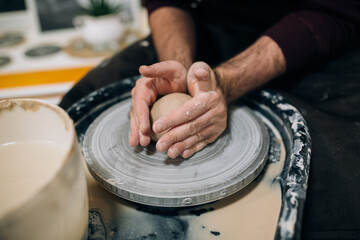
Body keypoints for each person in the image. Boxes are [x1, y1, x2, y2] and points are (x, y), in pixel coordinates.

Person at [59, 0, 360, 239]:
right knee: (70, 115)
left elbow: (334, 10)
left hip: (307, 36)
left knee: (338, 193)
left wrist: (225, 83)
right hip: (204, 27)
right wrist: (179, 65)